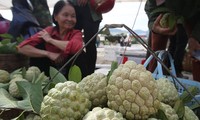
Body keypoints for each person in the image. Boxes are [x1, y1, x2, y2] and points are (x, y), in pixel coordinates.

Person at [17, 0, 89, 78]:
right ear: (55, 17)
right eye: (65, 15)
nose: (70, 19)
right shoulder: (48, 31)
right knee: (38, 47)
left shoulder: (76, 33)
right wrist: (48, 54)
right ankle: (43, 82)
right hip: (48, 70)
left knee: (80, 55)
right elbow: (21, 48)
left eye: (73, 16)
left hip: (70, 73)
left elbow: (76, 47)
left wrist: (50, 40)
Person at [144, 0, 200, 76]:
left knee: (195, 51)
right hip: (165, 11)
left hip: (194, 14)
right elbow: (152, 6)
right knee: (156, 54)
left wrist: (195, 36)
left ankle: (177, 70)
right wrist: (154, 23)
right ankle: (154, 76)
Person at [68, 0, 102, 75]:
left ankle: (90, 74)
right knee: (71, 42)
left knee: (90, 44)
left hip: (92, 10)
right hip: (72, 7)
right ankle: (72, 72)